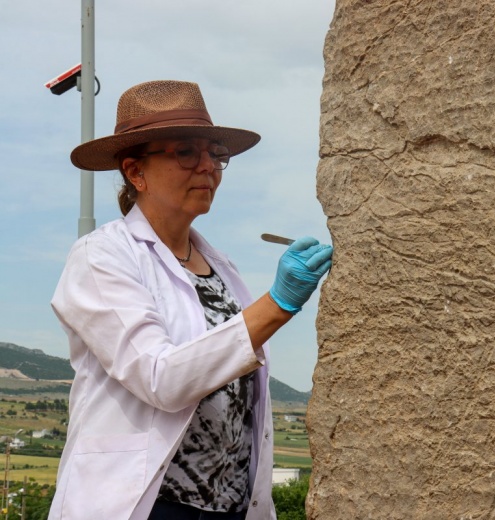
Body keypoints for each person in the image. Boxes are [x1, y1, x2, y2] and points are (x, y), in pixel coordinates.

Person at [48, 80, 332, 520]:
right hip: (153, 505)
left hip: (230, 507)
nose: (208, 167)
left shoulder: (220, 267)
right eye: (185, 152)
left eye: (215, 154)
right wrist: (277, 304)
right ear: (135, 171)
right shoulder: (101, 257)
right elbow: (161, 378)